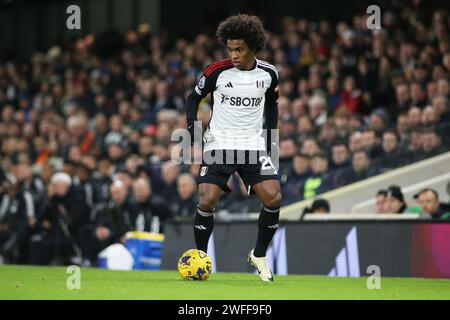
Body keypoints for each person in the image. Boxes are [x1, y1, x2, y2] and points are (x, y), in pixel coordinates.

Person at [185, 14, 281, 281]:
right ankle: (200, 259)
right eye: (230, 48)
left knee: (274, 198)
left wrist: (271, 139)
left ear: (252, 46)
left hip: (252, 146)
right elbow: (193, 98)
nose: (234, 54)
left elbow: (272, 105)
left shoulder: (269, 74)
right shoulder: (216, 71)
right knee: (207, 199)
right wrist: (194, 131)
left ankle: (259, 255)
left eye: (239, 49)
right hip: (219, 144)